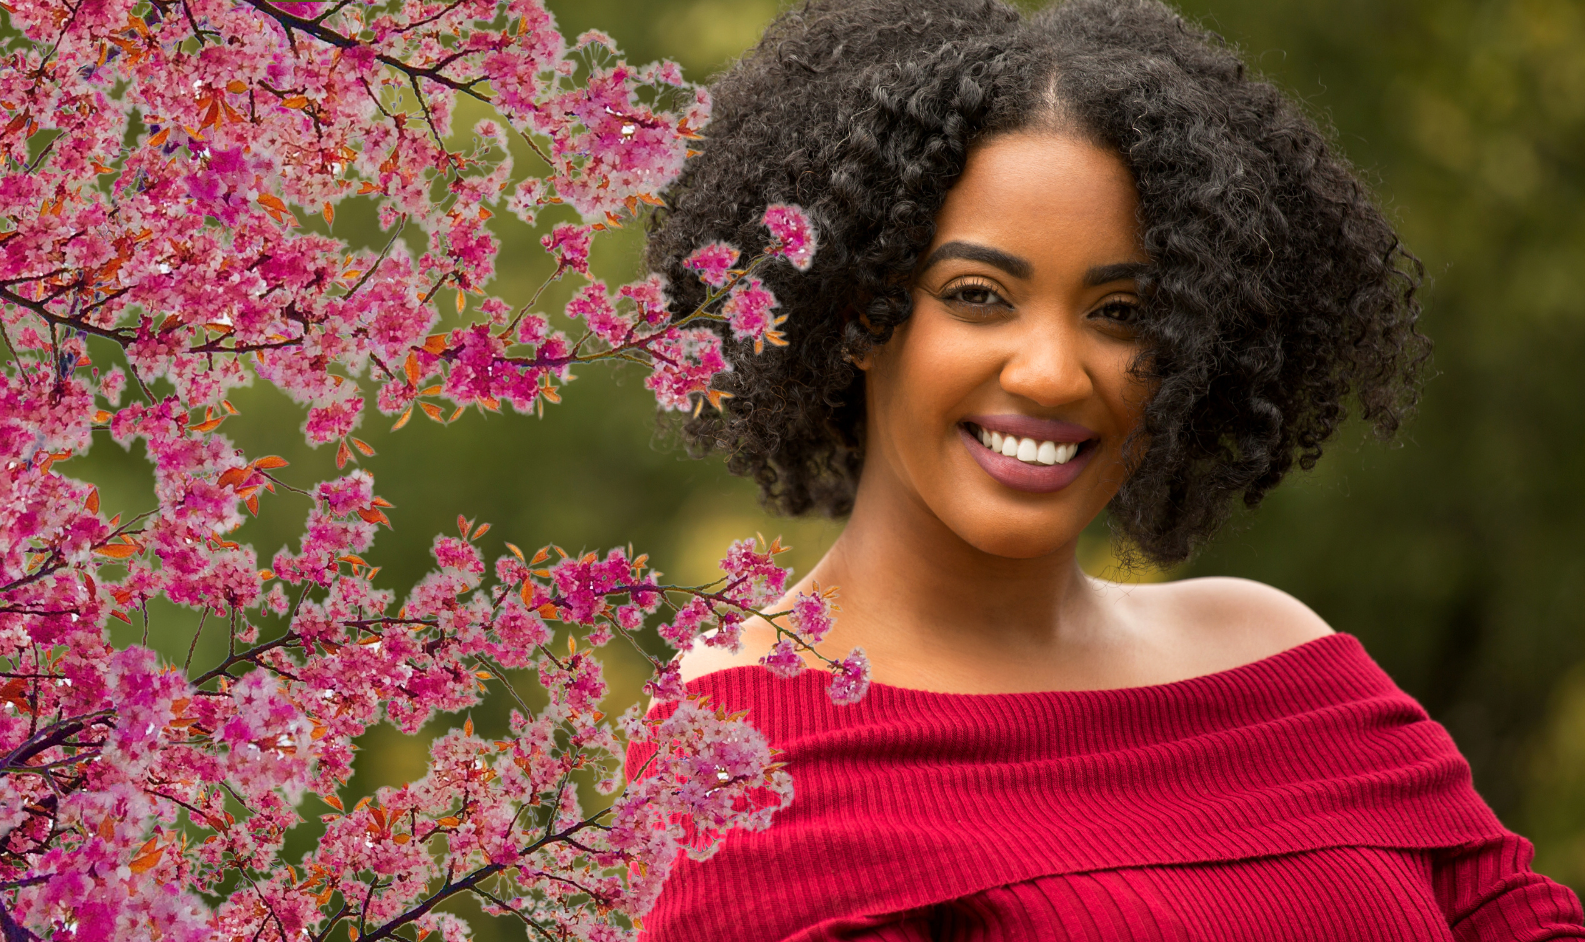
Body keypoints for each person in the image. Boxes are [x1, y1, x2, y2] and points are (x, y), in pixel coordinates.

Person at [634, 0, 1585, 938]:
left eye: (1122, 313)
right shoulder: (737, 756)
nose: (1050, 373)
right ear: (853, 311)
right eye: (978, 296)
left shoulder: (1281, 663)